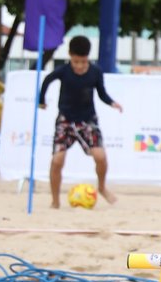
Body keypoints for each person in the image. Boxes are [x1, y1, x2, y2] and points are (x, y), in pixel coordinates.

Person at [38, 35, 123, 208]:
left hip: (87, 120)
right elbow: (47, 80)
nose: (79, 66)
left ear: (88, 58)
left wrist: (112, 102)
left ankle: (101, 187)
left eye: (83, 62)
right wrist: (41, 100)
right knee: (57, 161)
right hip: (65, 120)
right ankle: (55, 201)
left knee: (100, 156)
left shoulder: (95, 72)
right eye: (76, 62)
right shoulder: (63, 71)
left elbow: (101, 93)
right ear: (70, 56)